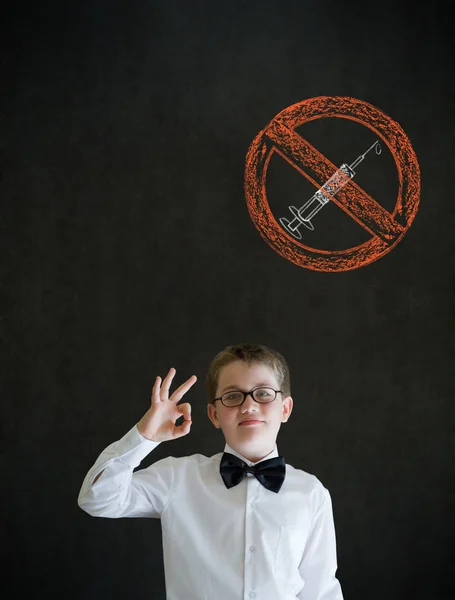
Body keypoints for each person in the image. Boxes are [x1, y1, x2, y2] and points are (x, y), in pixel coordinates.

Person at [78, 343, 344, 600]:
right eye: (232, 396)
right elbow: (97, 498)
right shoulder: (177, 478)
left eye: (263, 393)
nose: (249, 406)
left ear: (285, 408)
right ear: (214, 415)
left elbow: (321, 592)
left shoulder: (311, 493)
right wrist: (144, 437)